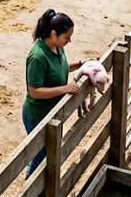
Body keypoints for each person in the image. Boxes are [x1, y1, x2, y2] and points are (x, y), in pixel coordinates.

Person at [22, 10, 86, 177]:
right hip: (37, 114)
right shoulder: (37, 57)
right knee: (40, 156)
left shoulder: (57, 48)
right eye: (66, 37)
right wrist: (64, 89)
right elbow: (34, 91)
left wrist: (81, 64)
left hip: (52, 112)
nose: (69, 40)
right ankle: (30, 193)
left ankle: (43, 188)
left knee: (50, 152)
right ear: (53, 34)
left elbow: (61, 68)